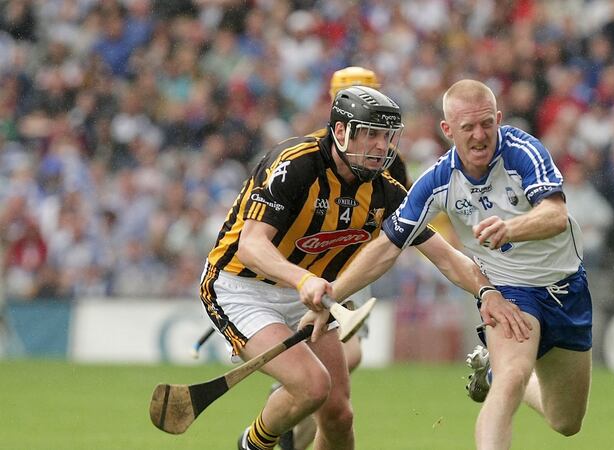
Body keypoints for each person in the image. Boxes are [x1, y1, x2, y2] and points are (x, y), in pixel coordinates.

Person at [200, 84, 530, 450]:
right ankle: (253, 445)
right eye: (369, 134)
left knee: (339, 416)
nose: (380, 146)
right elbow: (251, 245)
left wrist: (488, 292)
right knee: (312, 385)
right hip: (240, 286)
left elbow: (446, 256)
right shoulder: (297, 164)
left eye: (387, 137)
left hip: (312, 295)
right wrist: (303, 279)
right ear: (340, 132)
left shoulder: (385, 192)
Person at [304, 80, 592, 450]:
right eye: (467, 127)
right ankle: (499, 374)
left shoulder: (523, 151)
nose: (479, 135)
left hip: (568, 288)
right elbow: (388, 247)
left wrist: (510, 228)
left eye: (487, 123)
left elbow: (555, 215)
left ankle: (489, 372)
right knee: (513, 377)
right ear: (448, 129)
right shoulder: (438, 182)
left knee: (566, 421)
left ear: (498, 120)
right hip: (509, 292)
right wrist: (332, 296)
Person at [279, 65, 412, 450]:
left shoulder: (388, 161)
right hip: (307, 273)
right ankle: (290, 411)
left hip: (352, 266)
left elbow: (396, 226)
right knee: (336, 367)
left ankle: (292, 412)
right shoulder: (309, 152)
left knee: (344, 363)